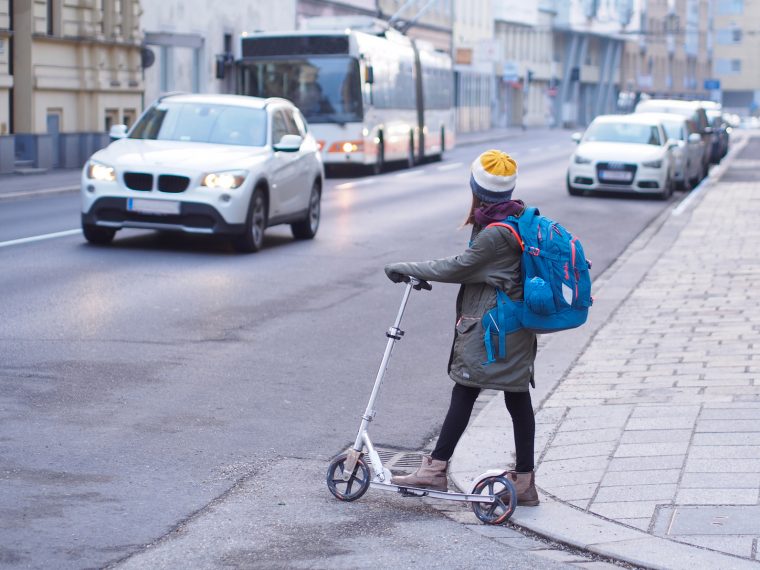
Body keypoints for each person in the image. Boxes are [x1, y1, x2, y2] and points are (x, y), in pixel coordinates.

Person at [383, 150, 539, 507]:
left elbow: (457, 267)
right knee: (515, 395)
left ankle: (436, 470)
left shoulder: (494, 234)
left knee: (466, 388)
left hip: (495, 327)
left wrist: (404, 267)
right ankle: (526, 481)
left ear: (476, 188)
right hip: (511, 325)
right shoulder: (511, 218)